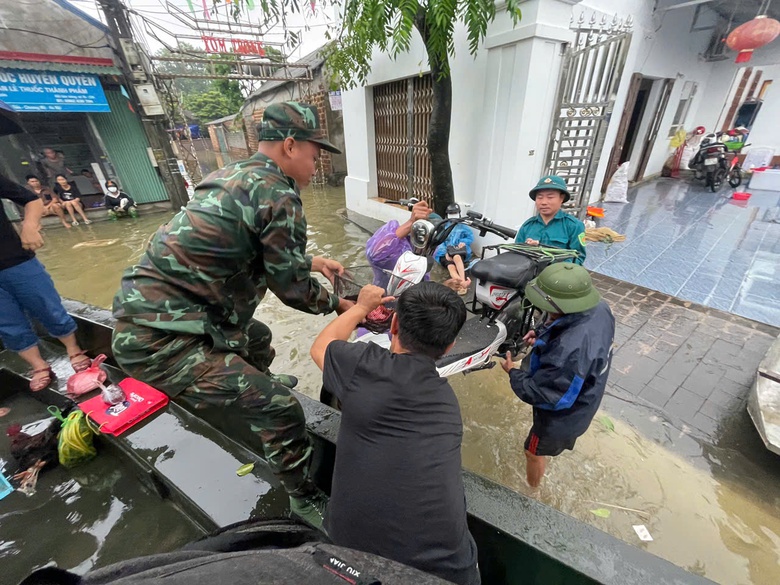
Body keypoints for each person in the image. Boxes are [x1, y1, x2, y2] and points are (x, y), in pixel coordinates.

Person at [111, 101, 349, 530]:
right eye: (315, 155)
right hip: (158, 342)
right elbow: (292, 290)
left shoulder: (231, 176)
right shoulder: (280, 195)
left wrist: (311, 260)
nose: (317, 166)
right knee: (282, 410)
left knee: (257, 336)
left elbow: (245, 245)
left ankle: (253, 383)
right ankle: (304, 498)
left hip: (154, 313)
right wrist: (343, 305)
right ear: (290, 145)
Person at [310, 281, 480, 585]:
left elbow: (321, 345)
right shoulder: (447, 403)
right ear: (450, 346)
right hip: (450, 574)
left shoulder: (363, 364)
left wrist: (362, 306)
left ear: (394, 324)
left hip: (350, 563)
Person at [500, 263, 614, 487]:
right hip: (587, 394)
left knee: (532, 451)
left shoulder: (568, 350)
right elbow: (563, 324)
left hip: (563, 417)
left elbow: (545, 395)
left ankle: (532, 492)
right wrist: (543, 332)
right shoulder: (600, 308)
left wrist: (513, 372)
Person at [0, 173, 92, 392]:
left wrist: (29, 226)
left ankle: (73, 349)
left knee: (47, 306)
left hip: (17, 259)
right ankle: (39, 365)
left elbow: (31, 199)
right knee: (8, 324)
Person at [514, 175, 586, 265]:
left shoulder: (574, 226)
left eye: (550, 197)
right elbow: (516, 254)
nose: (543, 202)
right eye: (540, 197)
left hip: (558, 275)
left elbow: (578, 257)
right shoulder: (528, 226)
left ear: (561, 198)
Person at [365, 199, 439, 282]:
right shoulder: (397, 248)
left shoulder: (430, 253)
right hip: (387, 293)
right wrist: (411, 222)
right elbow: (375, 254)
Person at [433, 203, 473, 294]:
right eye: (451, 213)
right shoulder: (444, 227)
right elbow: (440, 242)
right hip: (444, 253)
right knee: (451, 266)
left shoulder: (463, 226)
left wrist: (463, 242)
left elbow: (470, 237)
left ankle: (462, 280)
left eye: (455, 213)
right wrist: (446, 253)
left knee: (457, 257)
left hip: (458, 251)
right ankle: (460, 284)